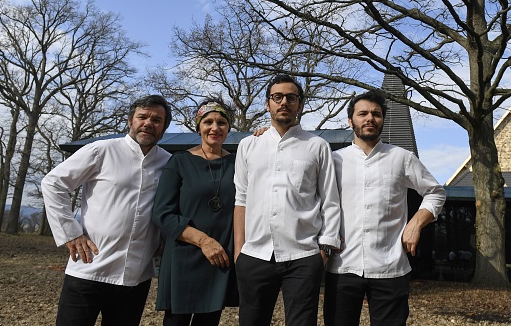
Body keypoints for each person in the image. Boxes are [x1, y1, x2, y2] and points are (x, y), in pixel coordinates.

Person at [42, 95, 172, 326]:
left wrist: (162, 238)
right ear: (130, 120)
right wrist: (71, 233)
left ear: (164, 127)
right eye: (142, 117)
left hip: (136, 277)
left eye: (157, 120)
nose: (148, 123)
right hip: (89, 269)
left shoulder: (168, 163)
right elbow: (53, 183)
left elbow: (168, 205)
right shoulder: (101, 150)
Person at [323, 89, 446, 326]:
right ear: (350, 121)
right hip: (341, 266)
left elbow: (435, 192)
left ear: (382, 120)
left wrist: (416, 223)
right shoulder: (333, 160)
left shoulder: (402, 158)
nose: (370, 118)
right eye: (363, 114)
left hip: (391, 267)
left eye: (376, 114)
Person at [233, 74, 341, 326]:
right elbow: (241, 198)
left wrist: (324, 250)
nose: (284, 102)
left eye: (291, 98)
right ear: (267, 103)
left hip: (304, 255)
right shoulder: (249, 145)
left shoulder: (317, 146)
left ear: (300, 104)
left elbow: (330, 200)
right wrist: (240, 251)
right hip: (255, 254)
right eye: (277, 97)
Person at [152, 97, 238, 326]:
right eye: (208, 121)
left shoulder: (238, 163)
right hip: (184, 257)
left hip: (219, 258)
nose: (215, 128)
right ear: (198, 125)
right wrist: (203, 241)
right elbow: (163, 213)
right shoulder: (179, 162)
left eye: (222, 122)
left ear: (229, 128)